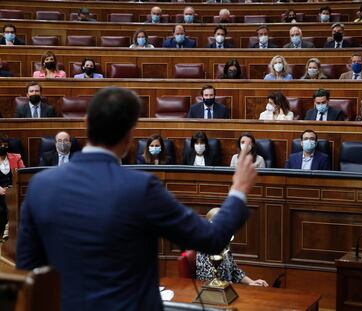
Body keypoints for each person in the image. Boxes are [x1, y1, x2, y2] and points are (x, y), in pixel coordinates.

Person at [16, 86, 257, 310]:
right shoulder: (140, 188)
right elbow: (212, 239)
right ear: (130, 135)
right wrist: (238, 191)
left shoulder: (40, 186)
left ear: (86, 123)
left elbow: (27, 273)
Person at [196, 208, 268, 286]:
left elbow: (234, 271)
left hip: (229, 290)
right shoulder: (203, 252)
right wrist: (231, 286)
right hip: (214, 293)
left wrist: (252, 282)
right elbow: (208, 282)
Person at [0, 134, 25, 242]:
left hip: (14, 190)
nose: (2, 147)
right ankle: (6, 229)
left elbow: (23, 175)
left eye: (5, 145)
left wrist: (13, 189)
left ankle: (8, 231)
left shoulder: (16, 157)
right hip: (0, 191)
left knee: (14, 203)